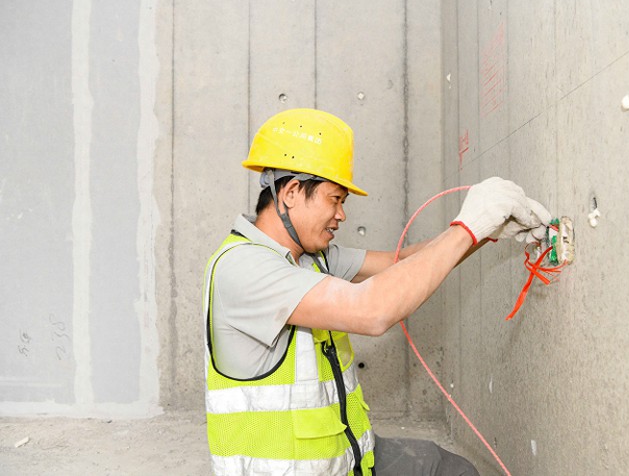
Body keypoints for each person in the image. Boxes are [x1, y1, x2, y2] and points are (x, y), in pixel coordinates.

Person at [202, 108, 551, 475]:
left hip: (348, 460)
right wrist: (467, 228)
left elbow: (401, 264)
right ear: (290, 193)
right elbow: (371, 310)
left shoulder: (306, 258)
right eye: (335, 199)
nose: (341, 215)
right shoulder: (244, 269)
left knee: (448, 469)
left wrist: (486, 230)